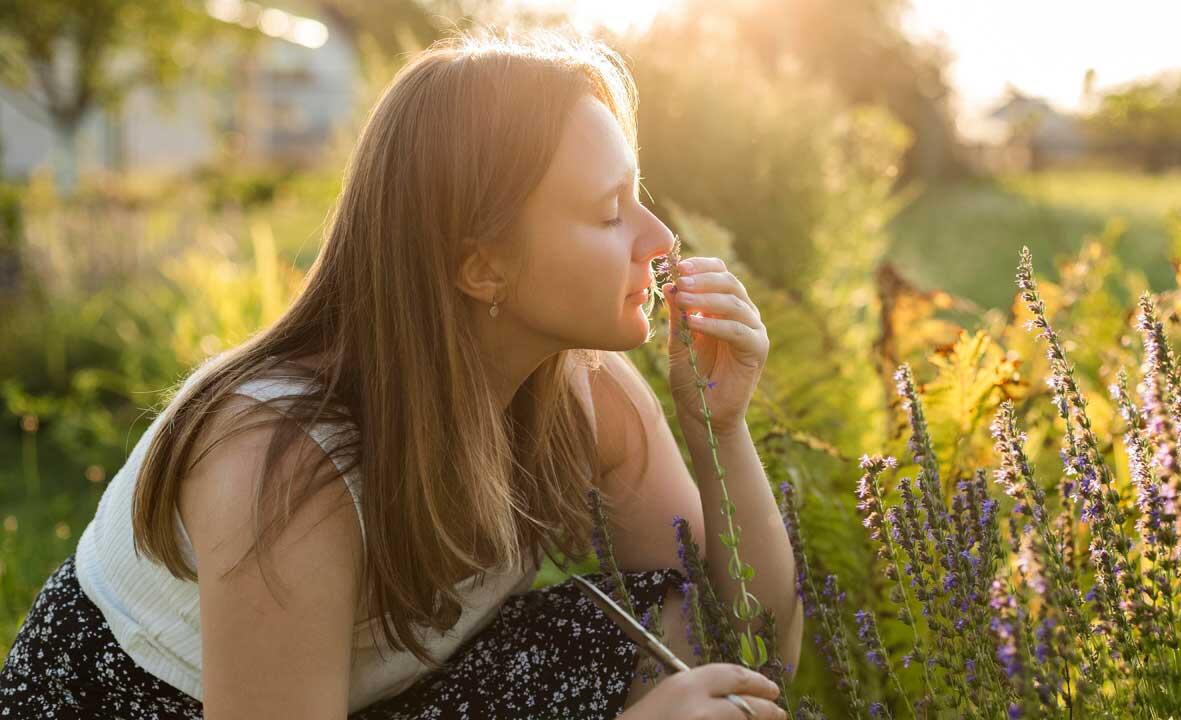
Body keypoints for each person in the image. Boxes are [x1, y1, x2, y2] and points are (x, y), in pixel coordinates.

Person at [0, 27, 793, 719]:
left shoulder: (589, 389)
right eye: (609, 211)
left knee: (682, 636)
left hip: (378, 698)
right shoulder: (284, 469)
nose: (659, 240)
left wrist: (717, 425)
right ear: (481, 267)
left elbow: (754, 648)